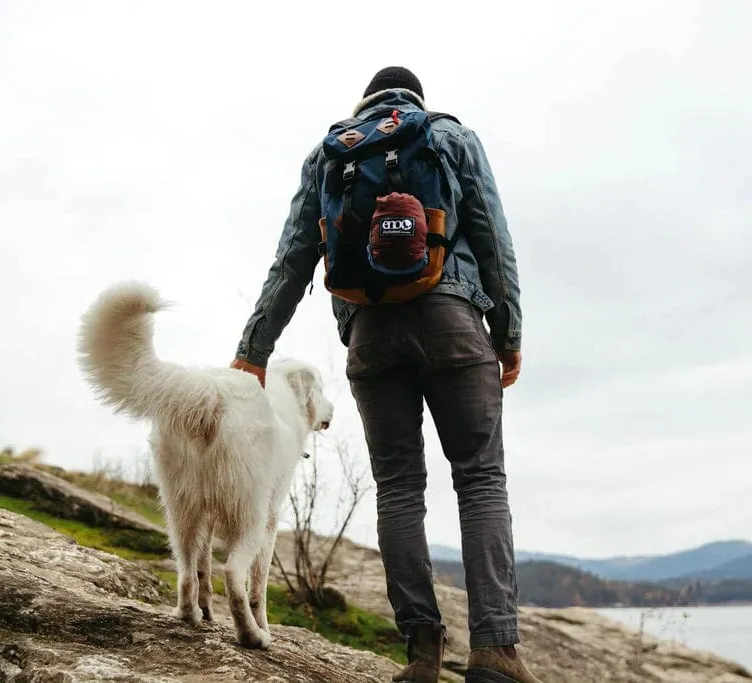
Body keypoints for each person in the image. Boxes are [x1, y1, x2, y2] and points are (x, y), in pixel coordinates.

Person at [231, 67, 539, 683]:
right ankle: (494, 653)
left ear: (364, 102)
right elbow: (492, 239)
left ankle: (422, 655)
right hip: (453, 322)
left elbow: (293, 258)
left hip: (372, 336)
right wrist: (507, 334)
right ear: (415, 99)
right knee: (480, 481)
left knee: (400, 489)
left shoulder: (330, 153)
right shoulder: (449, 137)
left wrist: (253, 350)